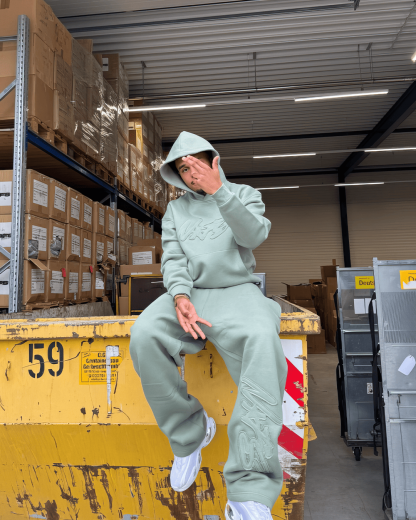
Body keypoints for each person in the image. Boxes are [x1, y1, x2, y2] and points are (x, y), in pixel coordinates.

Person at [129, 131, 288, 520]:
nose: (191, 175)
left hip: (238, 292)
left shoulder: (244, 194)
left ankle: (250, 486)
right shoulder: (176, 210)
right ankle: (189, 434)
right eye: (183, 170)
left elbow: (254, 234)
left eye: (196, 165)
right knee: (144, 334)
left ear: (213, 161)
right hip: (192, 295)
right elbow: (173, 259)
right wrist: (180, 297)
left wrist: (220, 192)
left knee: (262, 338)